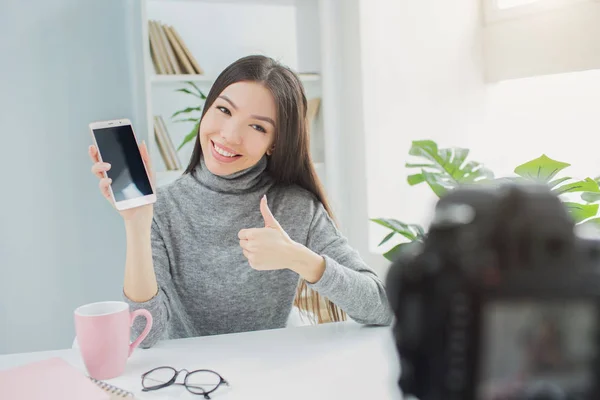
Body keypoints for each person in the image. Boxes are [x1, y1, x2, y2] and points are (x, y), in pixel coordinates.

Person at [89, 55, 393, 348]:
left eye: (258, 127)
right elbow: (146, 334)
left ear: (275, 143)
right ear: (207, 110)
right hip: (188, 380)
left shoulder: (295, 208)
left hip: (269, 373)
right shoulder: (164, 208)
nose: (230, 135)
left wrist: (298, 258)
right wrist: (138, 224)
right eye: (224, 110)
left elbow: (381, 306)